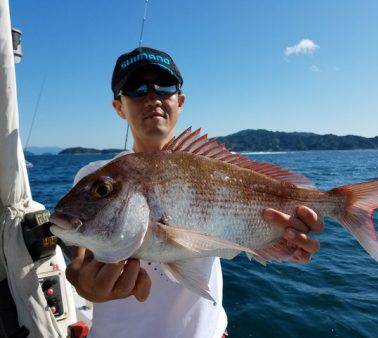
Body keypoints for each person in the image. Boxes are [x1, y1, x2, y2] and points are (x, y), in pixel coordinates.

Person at [66, 47, 324, 338]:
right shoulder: (97, 175)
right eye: (136, 88)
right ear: (119, 107)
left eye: (164, 87)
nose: (152, 97)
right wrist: (82, 282)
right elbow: (79, 260)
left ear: (181, 101)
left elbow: (241, 233)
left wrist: (285, 241)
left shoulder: (215, 168)